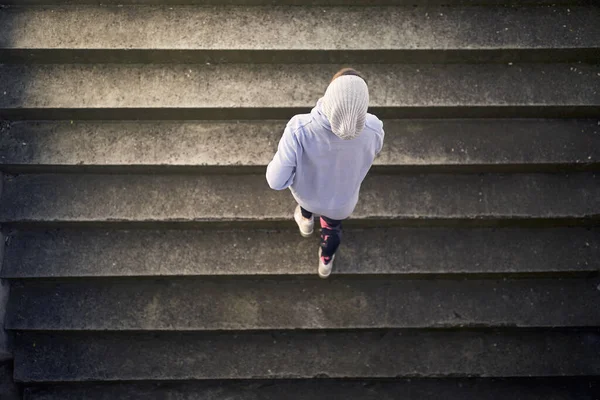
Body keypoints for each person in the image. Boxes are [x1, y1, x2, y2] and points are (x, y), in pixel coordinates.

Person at [266, 68, 384, 278]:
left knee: (307, 203)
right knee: (332, 229)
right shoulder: (374, 128)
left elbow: (275, 181)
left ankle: (306, 222)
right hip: (341, 203)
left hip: (307, 195)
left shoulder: (300, 128)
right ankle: (325, 262)